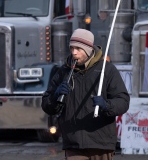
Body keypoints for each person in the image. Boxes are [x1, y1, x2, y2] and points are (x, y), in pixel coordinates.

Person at [41, 28, 130, 160]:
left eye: (78, 48)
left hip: (101, 143)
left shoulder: (107, 70)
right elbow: (46, 105)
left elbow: (123, 100)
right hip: (73, 142)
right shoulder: (63, 72)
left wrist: (107, 105)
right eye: (71, 48)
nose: (74, 52)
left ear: (88, 49)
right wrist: (55, 96)